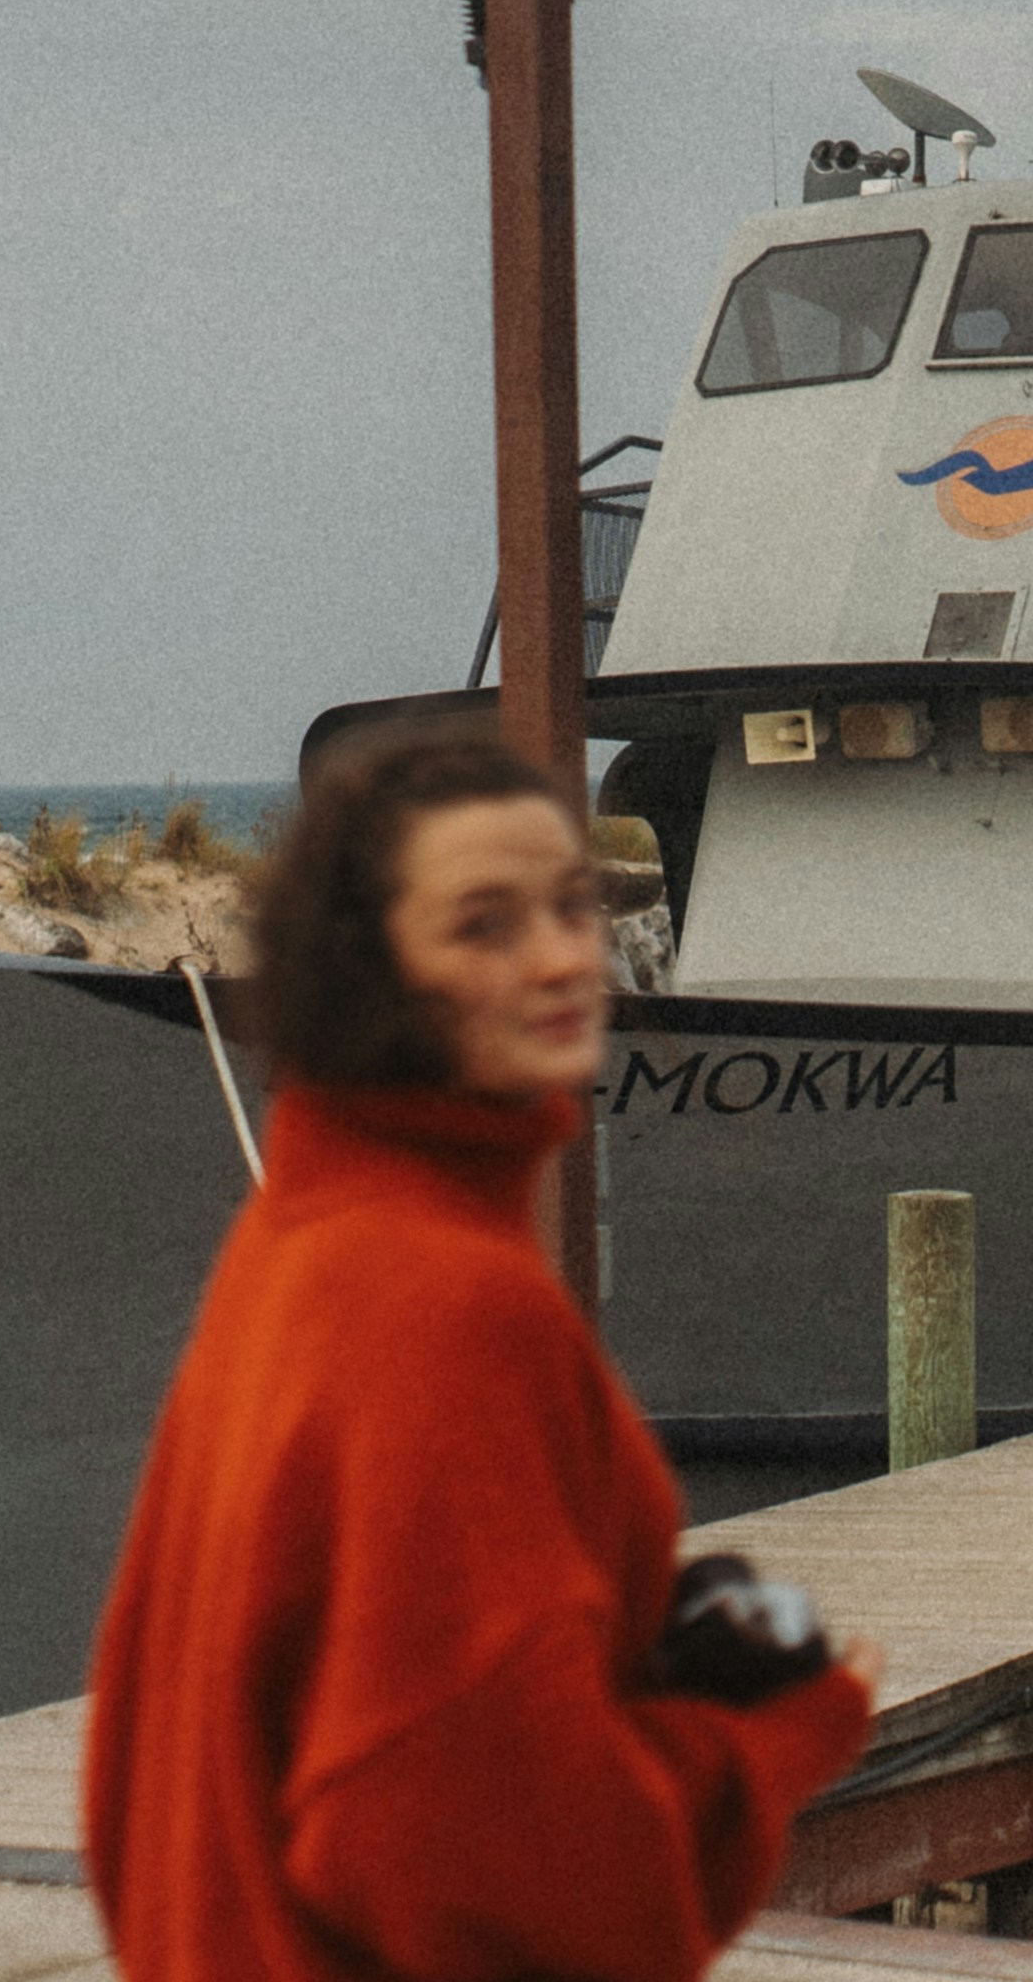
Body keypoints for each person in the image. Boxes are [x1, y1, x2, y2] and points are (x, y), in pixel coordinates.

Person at [85, 726, 876, 1982]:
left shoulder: (289, 1249)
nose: (564, 955)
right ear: (370, 971)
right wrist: (761, 1742)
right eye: (485, 925)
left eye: (572, 904)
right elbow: (470, 1844)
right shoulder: (448, 1300)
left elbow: (138, 1769)